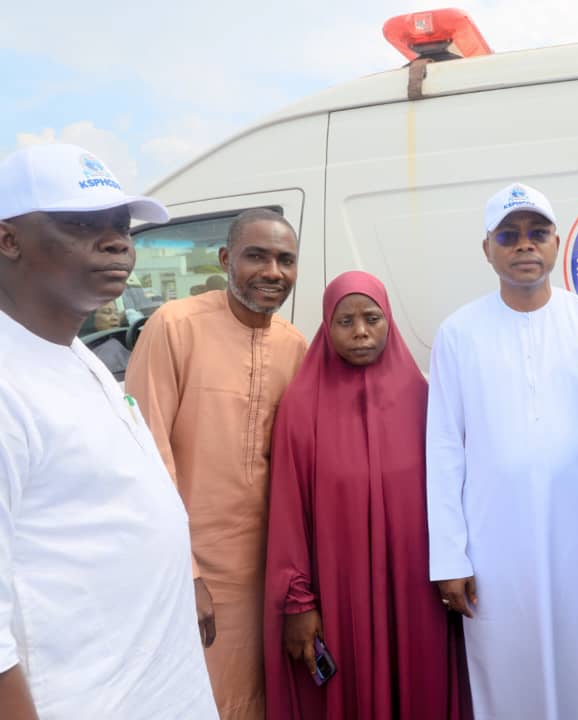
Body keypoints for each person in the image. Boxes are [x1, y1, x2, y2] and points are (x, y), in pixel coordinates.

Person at [0, 143, 217, 718]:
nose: (118, 242)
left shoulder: (71, 350)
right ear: (8, 239)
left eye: (121, 227)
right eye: (81, 224)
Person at [426, 183, 578, 719]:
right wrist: (450, 557)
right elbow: (444, 451)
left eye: (537, 233)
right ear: (487, 248)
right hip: (494, 543)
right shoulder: (458, 333)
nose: (524, 245)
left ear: (557, 243)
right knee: (505, 672)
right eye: (508, 235)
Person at [125, 208, 308, 720]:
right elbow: (145, 453)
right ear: (227, 259)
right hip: (192, 565)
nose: (273, 272)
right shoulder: (174, 326)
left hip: (265, 570)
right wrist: (184, 573)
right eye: (257, 256)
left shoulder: (294, 345)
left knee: (262, 695)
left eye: (285, 260)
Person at [264, 271, 470, 720]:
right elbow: (287, 514)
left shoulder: (425, 401)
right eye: (345, 321)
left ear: (388, 321)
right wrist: (298, 602)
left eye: (372, 318)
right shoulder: (300, 406)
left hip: (417, 592)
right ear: (327, 326)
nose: (360, 331)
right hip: (340, 594)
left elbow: (454, 494)